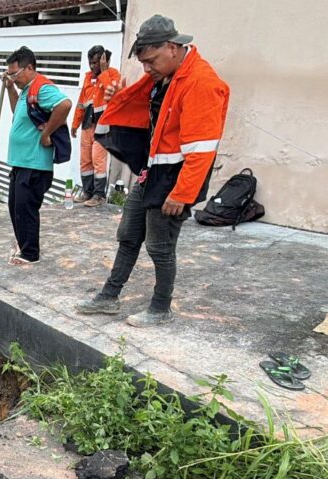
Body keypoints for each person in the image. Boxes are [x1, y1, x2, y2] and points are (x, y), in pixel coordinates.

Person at [76, 15, 229, 326]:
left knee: (160, 246)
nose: (146, 69)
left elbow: (202, 150)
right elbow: (146, 117)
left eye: (151, 60)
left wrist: (182, 194)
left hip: (174, 179)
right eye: (143, 62)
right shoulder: (166, 77)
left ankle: (160, 309)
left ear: (172, 47)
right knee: (128, 234)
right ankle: (109, 297)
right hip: (152, 172)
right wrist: (116, 99)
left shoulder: (201, 83)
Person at [2, 46, 72, 265]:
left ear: (29, 68)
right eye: (10, 74)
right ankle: (24, 246)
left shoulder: (41, 87)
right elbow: (17, 112)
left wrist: (47, 133)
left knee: (26, 209)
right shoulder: (26, 90)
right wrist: (9, 89)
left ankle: (30, 253)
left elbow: (65, 104)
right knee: (15, 206)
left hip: (35, 164)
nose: (13, 78)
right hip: (21, 162)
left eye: (15, 74)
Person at [70, 45, 121, 207]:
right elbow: (81, 103)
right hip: (87, 125)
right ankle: (88, 192)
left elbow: (114, 96)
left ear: (104, 61)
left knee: (98, 159)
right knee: (85, 160)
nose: (92, 66)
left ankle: (99, 195)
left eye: (95, 63)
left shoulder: (113, 75)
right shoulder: (88, 78)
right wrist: (75, 124)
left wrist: (104, 73)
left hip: (103, 126)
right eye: (90, 63)